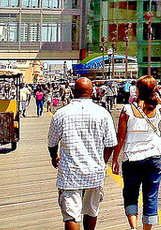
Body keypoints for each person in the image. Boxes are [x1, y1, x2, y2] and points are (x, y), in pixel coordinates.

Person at [47, 77, 117, 230]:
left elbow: (52, 143)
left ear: (72, 92)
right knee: (91, 210)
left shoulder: (61, 114)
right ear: (92, 92)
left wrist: (54, 157)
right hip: (95, 171)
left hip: (70, 172)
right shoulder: (103, 114)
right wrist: (103, 161)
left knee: (71, 215)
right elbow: (111, 144)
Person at [112, 76, 161, 230]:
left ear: (138, 89)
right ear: (154, 90)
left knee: (130, 193)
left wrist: (114, 159)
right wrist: (160, 101)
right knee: (151, 196)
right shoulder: (157, 108)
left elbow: (120, 137)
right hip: (155, 156)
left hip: (132, 157)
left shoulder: (127, 109)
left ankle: (133, 228)